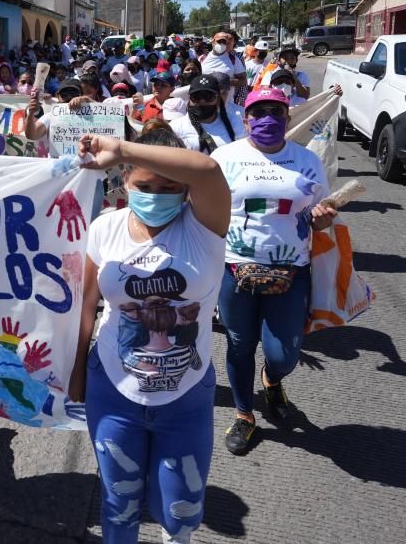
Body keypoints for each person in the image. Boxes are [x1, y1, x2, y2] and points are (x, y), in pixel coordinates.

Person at [69, 122, 230, 544]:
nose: (156, 196)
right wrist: (76, 372)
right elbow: (87, 304)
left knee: (180, 511)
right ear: (125, 180)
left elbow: (209, 171)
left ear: (185, 188)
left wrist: (123, 148)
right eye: (145, 185)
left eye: (168, 188)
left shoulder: (206, 227)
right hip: (114, 394)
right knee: (118, 505)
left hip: (187, 400)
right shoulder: (104, 228)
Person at [211, 87, 335, 456]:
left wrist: (324, 220)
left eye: (276, 112)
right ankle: (244, 414)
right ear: (245, 118)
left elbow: (322, 215)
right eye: (259, 112)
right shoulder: (223, 157)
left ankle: (272, 377)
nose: (267, 119)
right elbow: (205, 210)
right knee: (239, 343)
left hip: (291, 273)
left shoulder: (306, 161)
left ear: (288, 117)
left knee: (284, 354)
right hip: (235, 270)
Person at [170, 75, 246, 154]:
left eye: (208, 97)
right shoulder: (176, 127)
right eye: (196, 97)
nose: (202, 101)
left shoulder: (235, 122)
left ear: (218, 99)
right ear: (189, 99)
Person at [199, 32, 247, 108]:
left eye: (224, 42)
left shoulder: (233, 59)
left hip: (227, 105)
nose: (222, 44)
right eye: (219, 41)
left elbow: (243, 81)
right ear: (213, 42)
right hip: (206, 104)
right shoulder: (203, 59)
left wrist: (225, 81)